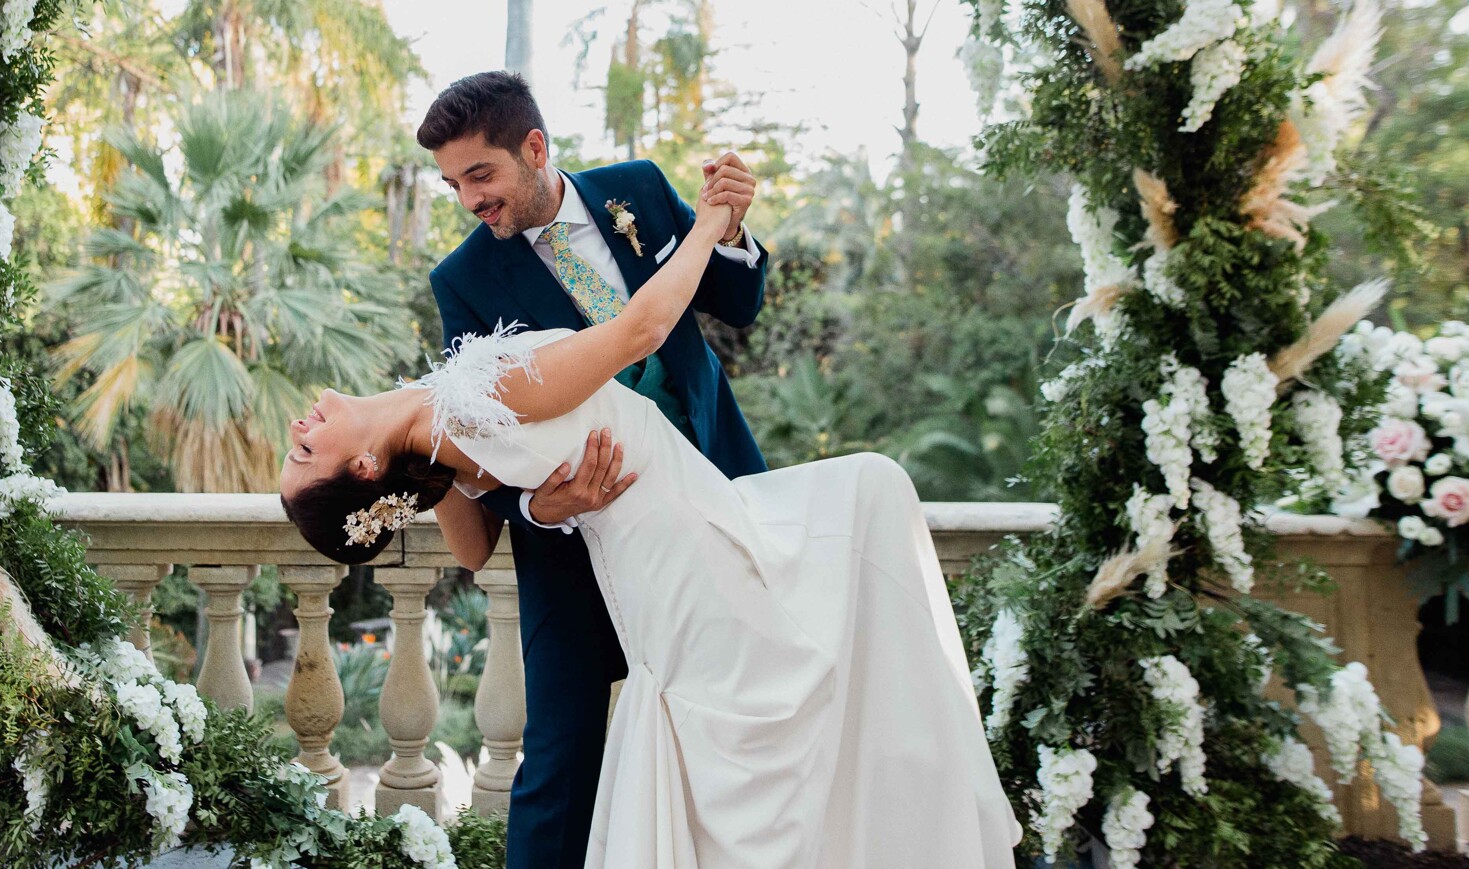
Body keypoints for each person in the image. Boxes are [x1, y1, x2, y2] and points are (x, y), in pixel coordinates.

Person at [277, 180, 1021, 868]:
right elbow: (638, 330)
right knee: (867, 502)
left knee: (757, 721)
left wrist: (499, 491)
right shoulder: (454, 415)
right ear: (365, 472)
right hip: (684, 550)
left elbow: (473, 550)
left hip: (666, 547)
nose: (300, 424)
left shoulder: (430, 429)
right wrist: (706, 227)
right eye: (306, 451)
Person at [417, 71, 767, 869]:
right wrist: (543, 505)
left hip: (711, 494)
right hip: (572, 541)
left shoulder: (637, 190)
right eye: (453, 184)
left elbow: (733, 302)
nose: (470, 199)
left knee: (736, 724)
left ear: (534, 148)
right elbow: (477, 434)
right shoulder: (461, 282)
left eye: (481, 174)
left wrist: (734, 228)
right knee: (560, 758)